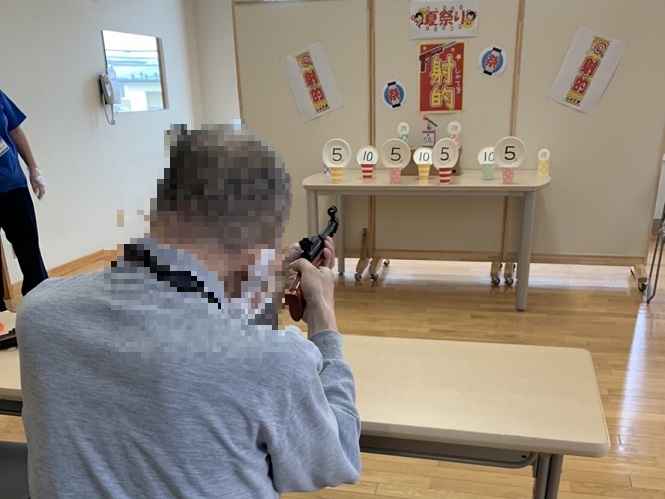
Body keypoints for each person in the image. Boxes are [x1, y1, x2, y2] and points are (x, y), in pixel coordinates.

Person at [16, 125, 362, 498]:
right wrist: (323, 318)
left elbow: (180, 316)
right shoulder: (278, 360)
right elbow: (337, 454)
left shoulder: (38, 313)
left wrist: (258, 277)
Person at [0, 88, 48, 316]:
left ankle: (42, 306)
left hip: (13, 186)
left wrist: (33, 169)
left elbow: (15, 130)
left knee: (29, 249)